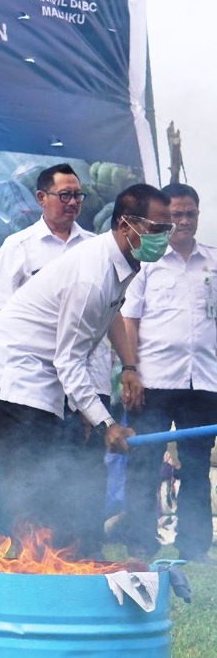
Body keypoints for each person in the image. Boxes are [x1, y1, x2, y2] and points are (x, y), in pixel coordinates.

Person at [0, 183, 172, 552]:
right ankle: (30, 564)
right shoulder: (92, 276)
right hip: (15, 375)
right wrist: (106, 424)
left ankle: (58, 558)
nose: (163, 237)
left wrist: (85, 406)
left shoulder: (123, 263)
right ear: (127, 225)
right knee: (34, 478)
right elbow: (69, 358)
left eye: (167, 229)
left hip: (45, 375)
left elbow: (84, 343)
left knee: (57, 471)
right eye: (156, 229)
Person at [0, 163, 113, 555]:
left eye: (78, 195)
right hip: (33, 382)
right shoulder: (18, 248)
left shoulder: (95, 248)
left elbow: (109, 320)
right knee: (31, 467)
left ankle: (85, 551)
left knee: (87, 466)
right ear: (41, 198)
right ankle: (30, 551)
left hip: (85, 377)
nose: (73, 203)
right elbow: (3, 319)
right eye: (65, 195)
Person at [116, 183, 217, 563]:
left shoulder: (213, 261)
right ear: (164, 218)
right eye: (176, 214)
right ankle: (140, 544)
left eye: (190, 213)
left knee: (196, 465)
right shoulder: (146, 262)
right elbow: (129, 319)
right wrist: (130, 370)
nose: (184, 221)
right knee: (143, 462)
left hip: (204, 382)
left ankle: (194, 548)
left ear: (198, 215)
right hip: (152, 381)